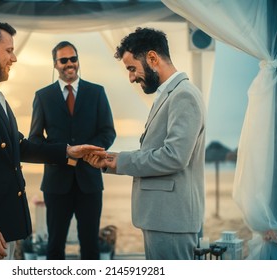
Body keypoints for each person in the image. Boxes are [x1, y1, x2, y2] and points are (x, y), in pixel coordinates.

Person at [0, 19, 103, 260]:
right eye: (8, 50)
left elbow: (19, 146)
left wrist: (69, 151)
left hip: (4, 221)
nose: (14, 57)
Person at [84, 27, 206, 260]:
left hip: (171, 220)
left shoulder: (184, 95)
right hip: (163, 218)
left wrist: (119, 160)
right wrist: (109, 161)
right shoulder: (172, 94)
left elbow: (174, 157)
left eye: (132, 68)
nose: (131, 77)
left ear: (152, 58)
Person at [28, 41, 116, 260]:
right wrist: (66, 152)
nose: (70, 63)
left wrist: (85, 153)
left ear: (78, 60)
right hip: (56, 185)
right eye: (63, 60)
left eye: (73, 58)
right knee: (54, 247)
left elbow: (108, 132)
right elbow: (35, 141)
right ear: (55, 64)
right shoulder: (43, 96)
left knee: (90, 248)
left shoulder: (97, 92)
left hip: (90, 183)